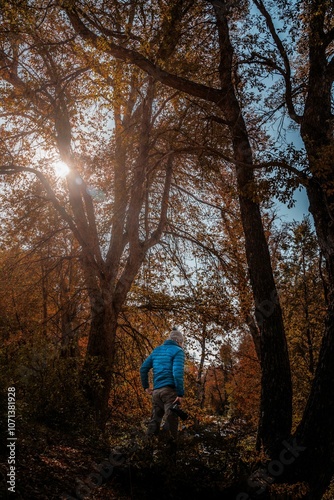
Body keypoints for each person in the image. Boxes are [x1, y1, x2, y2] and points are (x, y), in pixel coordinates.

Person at [140, 327, 185, 443]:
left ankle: (146, 452)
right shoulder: (178, 351)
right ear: (178, 341)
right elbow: (177, 373)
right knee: (171, 426)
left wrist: (146, 387)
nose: (182, 345)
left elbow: (143, 369)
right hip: (170, 393)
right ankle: (168, 457)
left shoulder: (157, 350)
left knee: (154, 422)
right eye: (182, 342)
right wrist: (180, 393)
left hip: (156, 393)